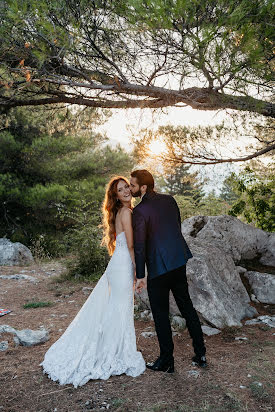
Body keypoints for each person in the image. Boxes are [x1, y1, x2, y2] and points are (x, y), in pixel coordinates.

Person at [39, 176, 145, 388]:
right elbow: (132, 246)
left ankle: (110, 347)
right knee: (120, 308)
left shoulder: (119, 213)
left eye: (126, 187)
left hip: (117, 264)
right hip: (123, 265)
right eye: (121, 190)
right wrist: (138, 273)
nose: (125, 191)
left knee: (117, 308)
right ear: (115, 196)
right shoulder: (126, 212)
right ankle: (111, 352)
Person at [130, 169, 207, 373]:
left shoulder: (139, 211)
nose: (131, 188)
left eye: (133, 185)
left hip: (158, 268)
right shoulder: (170, 200)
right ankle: (201, 354)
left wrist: (140, 275)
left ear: (143, 187)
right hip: (178, 261)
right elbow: (176, 226)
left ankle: (166, 361)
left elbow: (139, 246)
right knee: (187, 307)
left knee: (161, 315)